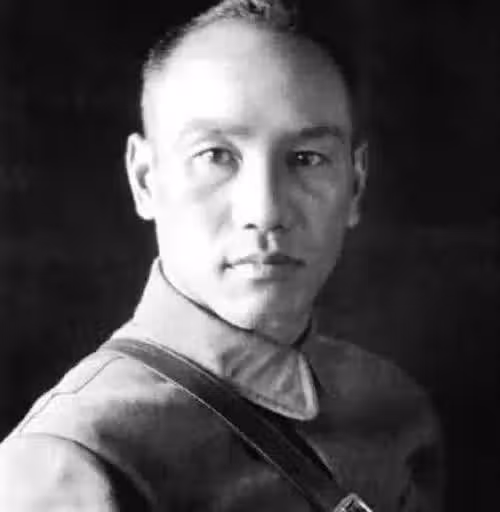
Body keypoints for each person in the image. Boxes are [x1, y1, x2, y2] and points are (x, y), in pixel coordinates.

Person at [0, 0, 444, 510]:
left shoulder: (393, 410)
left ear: (356, 185)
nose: (266, 211)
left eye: (306, 159)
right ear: (145, 180)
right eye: (216, 156)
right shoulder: (73, 460)